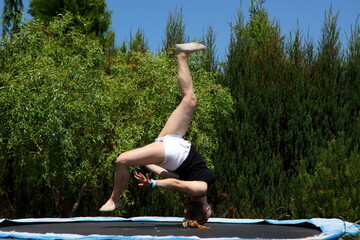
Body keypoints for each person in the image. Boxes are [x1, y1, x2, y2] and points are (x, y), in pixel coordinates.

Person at [99, 43, 216, 228]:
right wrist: (147, 163)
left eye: (209, 215)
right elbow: (169, 175)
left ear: (205, 211)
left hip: (173, 152)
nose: (212, 212)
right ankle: (182, 54)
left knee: (122, 160)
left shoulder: (200, 188)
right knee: (190, 100)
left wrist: (153, 184)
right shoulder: (195, 188)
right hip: (174, 142)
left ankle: (115, 199)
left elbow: (174, 184)